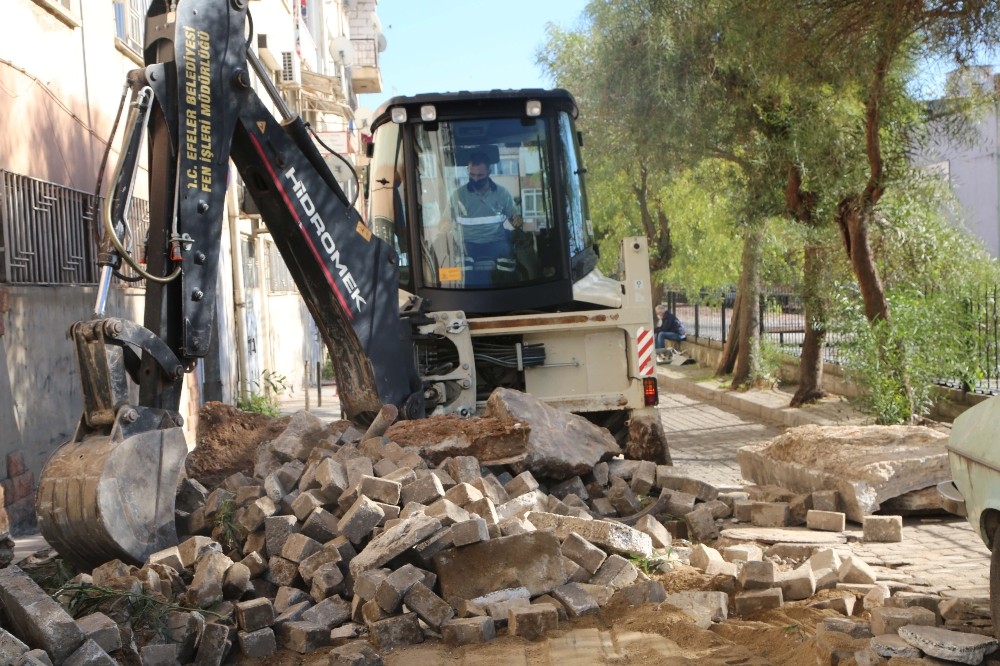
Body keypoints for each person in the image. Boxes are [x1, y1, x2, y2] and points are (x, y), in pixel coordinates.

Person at [450, 152, 523, 284]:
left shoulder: (502, 193)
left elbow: (514, 218)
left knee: (508, 263)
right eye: (472, 175)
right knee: (462, 269)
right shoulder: (458, 195)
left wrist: (517, 220)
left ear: (489, 172)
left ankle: (505, 296)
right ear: (468, 171)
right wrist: (443, 229)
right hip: (468, 243)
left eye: (480, 175)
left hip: (496, 241)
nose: (476, 179)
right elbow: (445, 220)